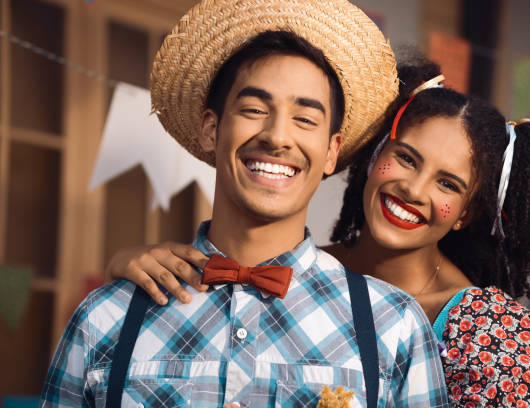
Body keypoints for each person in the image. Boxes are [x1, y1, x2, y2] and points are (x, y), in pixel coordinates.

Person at [40, 1, 450, 407]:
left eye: (305, 119)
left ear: (330, 151)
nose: (276, 136)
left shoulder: (393, 328)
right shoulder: (104, 319)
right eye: (254, 109)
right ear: (211, 130)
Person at [109, 51, 530, 407]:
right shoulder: (299, 270)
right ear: (372, 158)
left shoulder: (483, 330)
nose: (412, 188)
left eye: (447, 183)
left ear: (467, 213)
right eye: (406, 158)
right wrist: (130, 265)